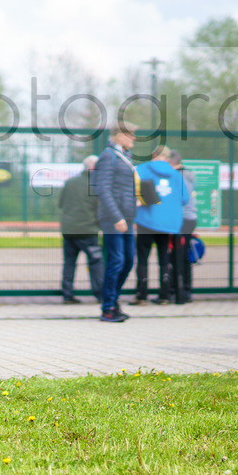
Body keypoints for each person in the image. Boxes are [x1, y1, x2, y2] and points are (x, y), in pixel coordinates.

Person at [93, 119, 139, 323]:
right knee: (116, 261)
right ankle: (108, 307)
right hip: (114, 219)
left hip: (127, 219)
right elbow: (103, 189)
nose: (134, 138)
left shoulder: (124, 156)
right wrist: (117, 217)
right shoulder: (108, 156)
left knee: (128, 261)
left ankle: (113, 299)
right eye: (131, 134)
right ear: (119, 135)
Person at [132, 146, 189, 305]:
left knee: (143, 259)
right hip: (169, 224)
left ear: (154, 154)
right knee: (164, 259)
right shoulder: (177, 175)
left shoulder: (141, 169)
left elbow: (133, 190)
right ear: (168, 157)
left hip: (146, 221)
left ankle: (141, 295)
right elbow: (185, 199)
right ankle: (164, 295)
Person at [57, 155, 103, 303]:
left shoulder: (70, 182)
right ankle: (100, 294)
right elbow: (100, 208)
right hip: (87, 230)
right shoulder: (97, 185)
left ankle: (67, 294)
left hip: (69, 229)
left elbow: (61, 203)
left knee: (69, 262)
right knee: (95, 262)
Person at [170, 150, 197, 303]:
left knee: (178, 256)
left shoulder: (178, 177)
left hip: (182, 220)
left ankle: (181, 290)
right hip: (188, 219)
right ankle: (184, 290)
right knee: (182, 255)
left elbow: (179, 200)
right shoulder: (188, 174)